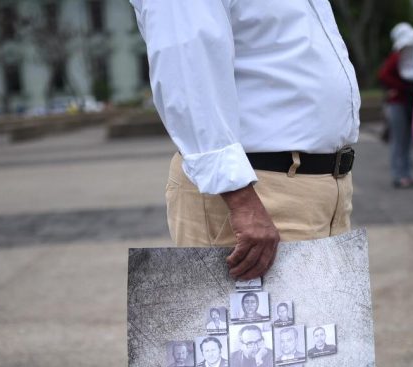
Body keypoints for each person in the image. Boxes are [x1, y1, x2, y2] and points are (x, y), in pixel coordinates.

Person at [129, 1, 359, 281]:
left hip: (322, 189)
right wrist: (240, 200)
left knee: (323, 321)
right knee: (251, 323)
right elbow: (188, 68)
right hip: (255, 192)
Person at [379, 22, 413, 189]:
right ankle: (399, 175)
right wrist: (400, 87)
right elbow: (383, 75)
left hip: (406, 102)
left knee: (407, 140)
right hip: (398, 104)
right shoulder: (397, 56)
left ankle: (406, 173)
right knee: (400, 141)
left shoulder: (406, 53)